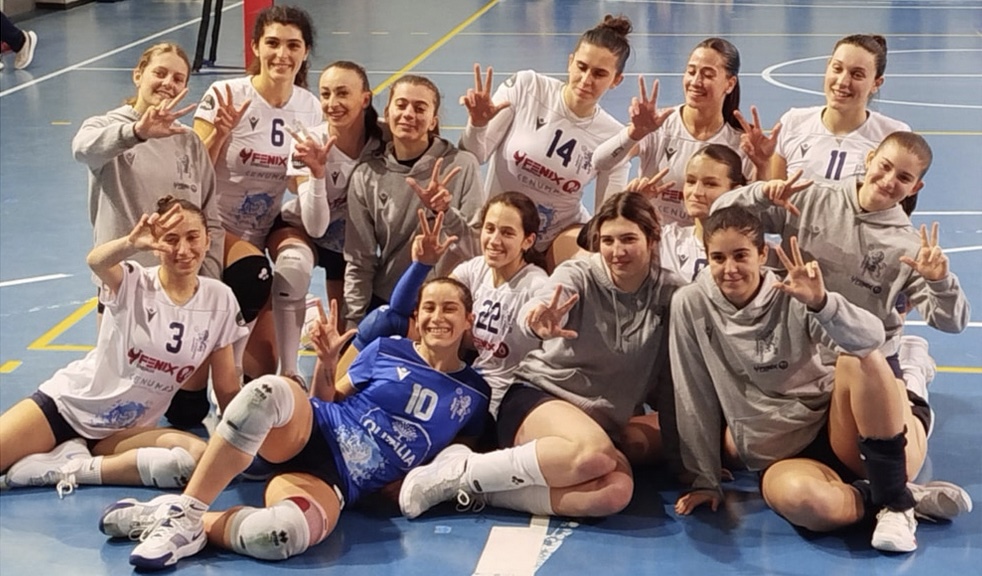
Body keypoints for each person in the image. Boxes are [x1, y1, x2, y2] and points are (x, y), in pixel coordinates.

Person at [100, 284, 491, 570]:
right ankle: (185, 510)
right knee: (266, 392)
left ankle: (174, 520)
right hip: (313, 428)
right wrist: (326, 362)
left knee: (281, 535)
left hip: (336, 480)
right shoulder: (387, 349)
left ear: (468, 319)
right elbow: (328, 397)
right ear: (416, 316)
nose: (437, 317)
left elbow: (454, 453)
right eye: (428, 308)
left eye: (450, 309)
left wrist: (412, 479)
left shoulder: (475, 394)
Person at [670, 206, 972, 552]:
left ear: (762, 254)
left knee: (859, 358)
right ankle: (899, 497)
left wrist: (822, 303)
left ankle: (898, 491)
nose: (730, 268)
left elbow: (872, 339)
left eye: (741, 255)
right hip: (781, 452)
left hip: (841, 426)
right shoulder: (690, 303)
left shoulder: (793, 289)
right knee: (806, 505)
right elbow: (691, 388)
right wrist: (704, 478)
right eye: (718, 258)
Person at [399, 191, 684, 520]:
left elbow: (674, 381)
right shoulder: (580, 273)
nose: (616, 251)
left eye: (628, 239)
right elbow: (545, 300)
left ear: (652, 239)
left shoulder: (671, 294)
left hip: (599, 422)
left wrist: (692, 468)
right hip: (540, 396)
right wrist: (537, 319)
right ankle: (457, 474)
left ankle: (472, 483)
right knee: (594, 455)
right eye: (607, 240)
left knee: (613, 492)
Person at [713, 132, 971, 436]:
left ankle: (912, 378)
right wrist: (760, 194)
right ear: (870, 158)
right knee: (736, 446)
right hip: (795, 350)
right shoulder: (811, 196)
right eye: (885, 166)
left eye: (904, 177)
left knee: (884, 450)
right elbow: (720, 217)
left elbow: (952, 322)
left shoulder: (909, 247)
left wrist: (940, 281)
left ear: (916, 187)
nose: (889, 181)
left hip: (861, 356)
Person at [0, 198, 245, 496]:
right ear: (156, 246)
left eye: (192, 237)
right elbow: (96, 261)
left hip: (125, 430)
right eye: (171, 239)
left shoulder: (220, 299)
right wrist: (130, 243)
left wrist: (245, 439)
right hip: (69, 407)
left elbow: (226, 387)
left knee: (195, 458)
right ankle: (65, 452)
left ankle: (70, 468)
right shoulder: (134, 280)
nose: (183, 250)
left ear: (208, 240)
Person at [72, 42, 225, 427]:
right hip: (126, 290)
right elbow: (83, 150)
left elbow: (211, 216)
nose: (168, 82)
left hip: (180, 290)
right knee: (116, 411)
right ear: (138, 75)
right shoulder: (107, 127)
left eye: (178, 78)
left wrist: (207, 281)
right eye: (160, 73)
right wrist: (137, 132)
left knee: (188, 413)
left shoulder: (189, 141)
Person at [192, 5, 323, 379]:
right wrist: (220, 133)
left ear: (305, 51)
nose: (282, 54)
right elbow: (194, 173)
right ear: (255, 47)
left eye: (293, 45)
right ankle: (225, 377)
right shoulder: (227, 94)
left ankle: (290, 372)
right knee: (254, 275)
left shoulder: (309, 107)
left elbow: (296, 181)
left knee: (295, 266)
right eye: (273, 43)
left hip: (264, 225)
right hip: (216, 224)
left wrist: (315, 178)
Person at [345, 192, 546, 416]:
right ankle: (332, 394)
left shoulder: (536, 285)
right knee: (384, 320)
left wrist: (543, 322)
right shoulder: (476, 268)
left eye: (507, 233)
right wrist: (421, 266)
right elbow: (400, 308)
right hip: (471, 371)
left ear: (528, 241)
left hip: (506, 393)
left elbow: (546, 322)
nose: (494, 240)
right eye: (489, 229)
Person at [458, 15, 633, 268]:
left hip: (556, 237)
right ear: (570, 62)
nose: (586, 80)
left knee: (596, 266)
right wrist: (477, 124)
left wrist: (634, 201)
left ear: (616, 80)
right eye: (581, 67)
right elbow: (474, 155)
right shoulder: (528, 87)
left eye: (599, 74)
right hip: (500, 230)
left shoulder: (614, 136)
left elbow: (607, 217)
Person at [272, 60, 385, 378]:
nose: (332, 103)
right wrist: (318, 174)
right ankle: (290, 372)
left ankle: (312, 313)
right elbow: (316, 226)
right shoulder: (307, 141)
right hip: (303, 227)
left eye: (342, 93)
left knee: (348, 331)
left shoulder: (383, 139)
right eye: (325, 94)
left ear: (365, 98)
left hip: (349, 242)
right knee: (293, 270)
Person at [344, 74, 484, 329]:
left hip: (446, 305)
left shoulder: (462, 165)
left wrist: (446, 212)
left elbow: (477, 249)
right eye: (401, 105)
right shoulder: (367, 175)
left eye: (420, 108)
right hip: (391, 302)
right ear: (387, 113)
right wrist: (354, 322)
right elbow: (359, 259)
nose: (409, 114)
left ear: (433, 121)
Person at [592, 37, 761, 227]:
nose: (695, 81)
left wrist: (762, 164)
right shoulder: (659, 125)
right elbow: (600, 162)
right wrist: (633, 134)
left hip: (708, 242)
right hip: (654, 239)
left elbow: (758, 215)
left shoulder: (741, 142)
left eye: (707, 75)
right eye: (691, 72)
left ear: (730, 84)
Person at [758, 35, 910, 191]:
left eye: (857, 75)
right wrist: (761, 164)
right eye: (837, 69)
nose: (842, 81)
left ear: (876, 83)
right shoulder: (793, 122)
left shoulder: (893, 138)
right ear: (828, 66)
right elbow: (773, 199)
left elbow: (900, 201)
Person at [659, 144, 746, 281]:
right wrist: (633, 202)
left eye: (710, 184)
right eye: (691, 181)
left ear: (735, 192)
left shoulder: (753, 248)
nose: (696, 192)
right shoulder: (666, 241)